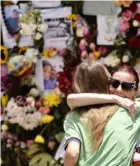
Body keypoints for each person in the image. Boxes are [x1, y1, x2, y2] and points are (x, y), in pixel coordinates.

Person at [64, 60, 140, 166]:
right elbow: (71, 99)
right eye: (114, 83)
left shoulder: (133, 108)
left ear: (136, 92)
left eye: (127, 86)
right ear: (107, 84)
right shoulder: (124, 108)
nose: (118, 89)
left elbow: (72, 153)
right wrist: (115, 99)